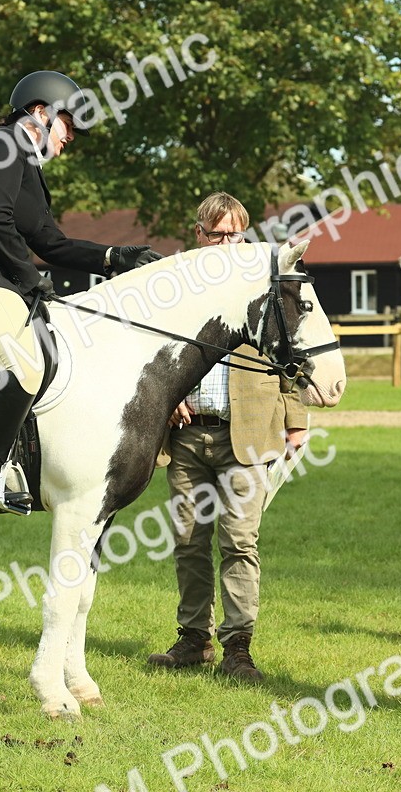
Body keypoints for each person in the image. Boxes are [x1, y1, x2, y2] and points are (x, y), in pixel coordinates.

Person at [0, 70, 163, 513]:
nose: (71, 138)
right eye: (68, 125)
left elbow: (51, 241)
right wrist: (30, 277)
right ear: (40, 112)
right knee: (26, 363)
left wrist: (114, 257)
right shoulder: (2, 144)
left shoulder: (22, 161)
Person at [146, 193, 307, 680]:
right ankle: (193, 640)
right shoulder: (174, 288)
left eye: (235, 234)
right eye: (217, 234)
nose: (227, 243)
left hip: (251, 431)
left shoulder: (263, 280)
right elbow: (154, 350)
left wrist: (296, 417)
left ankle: (238, 647)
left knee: (240, 540)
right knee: (189, 541)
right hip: (187, 433)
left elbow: (290, 345)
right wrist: (166, 394)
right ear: (198, 235)